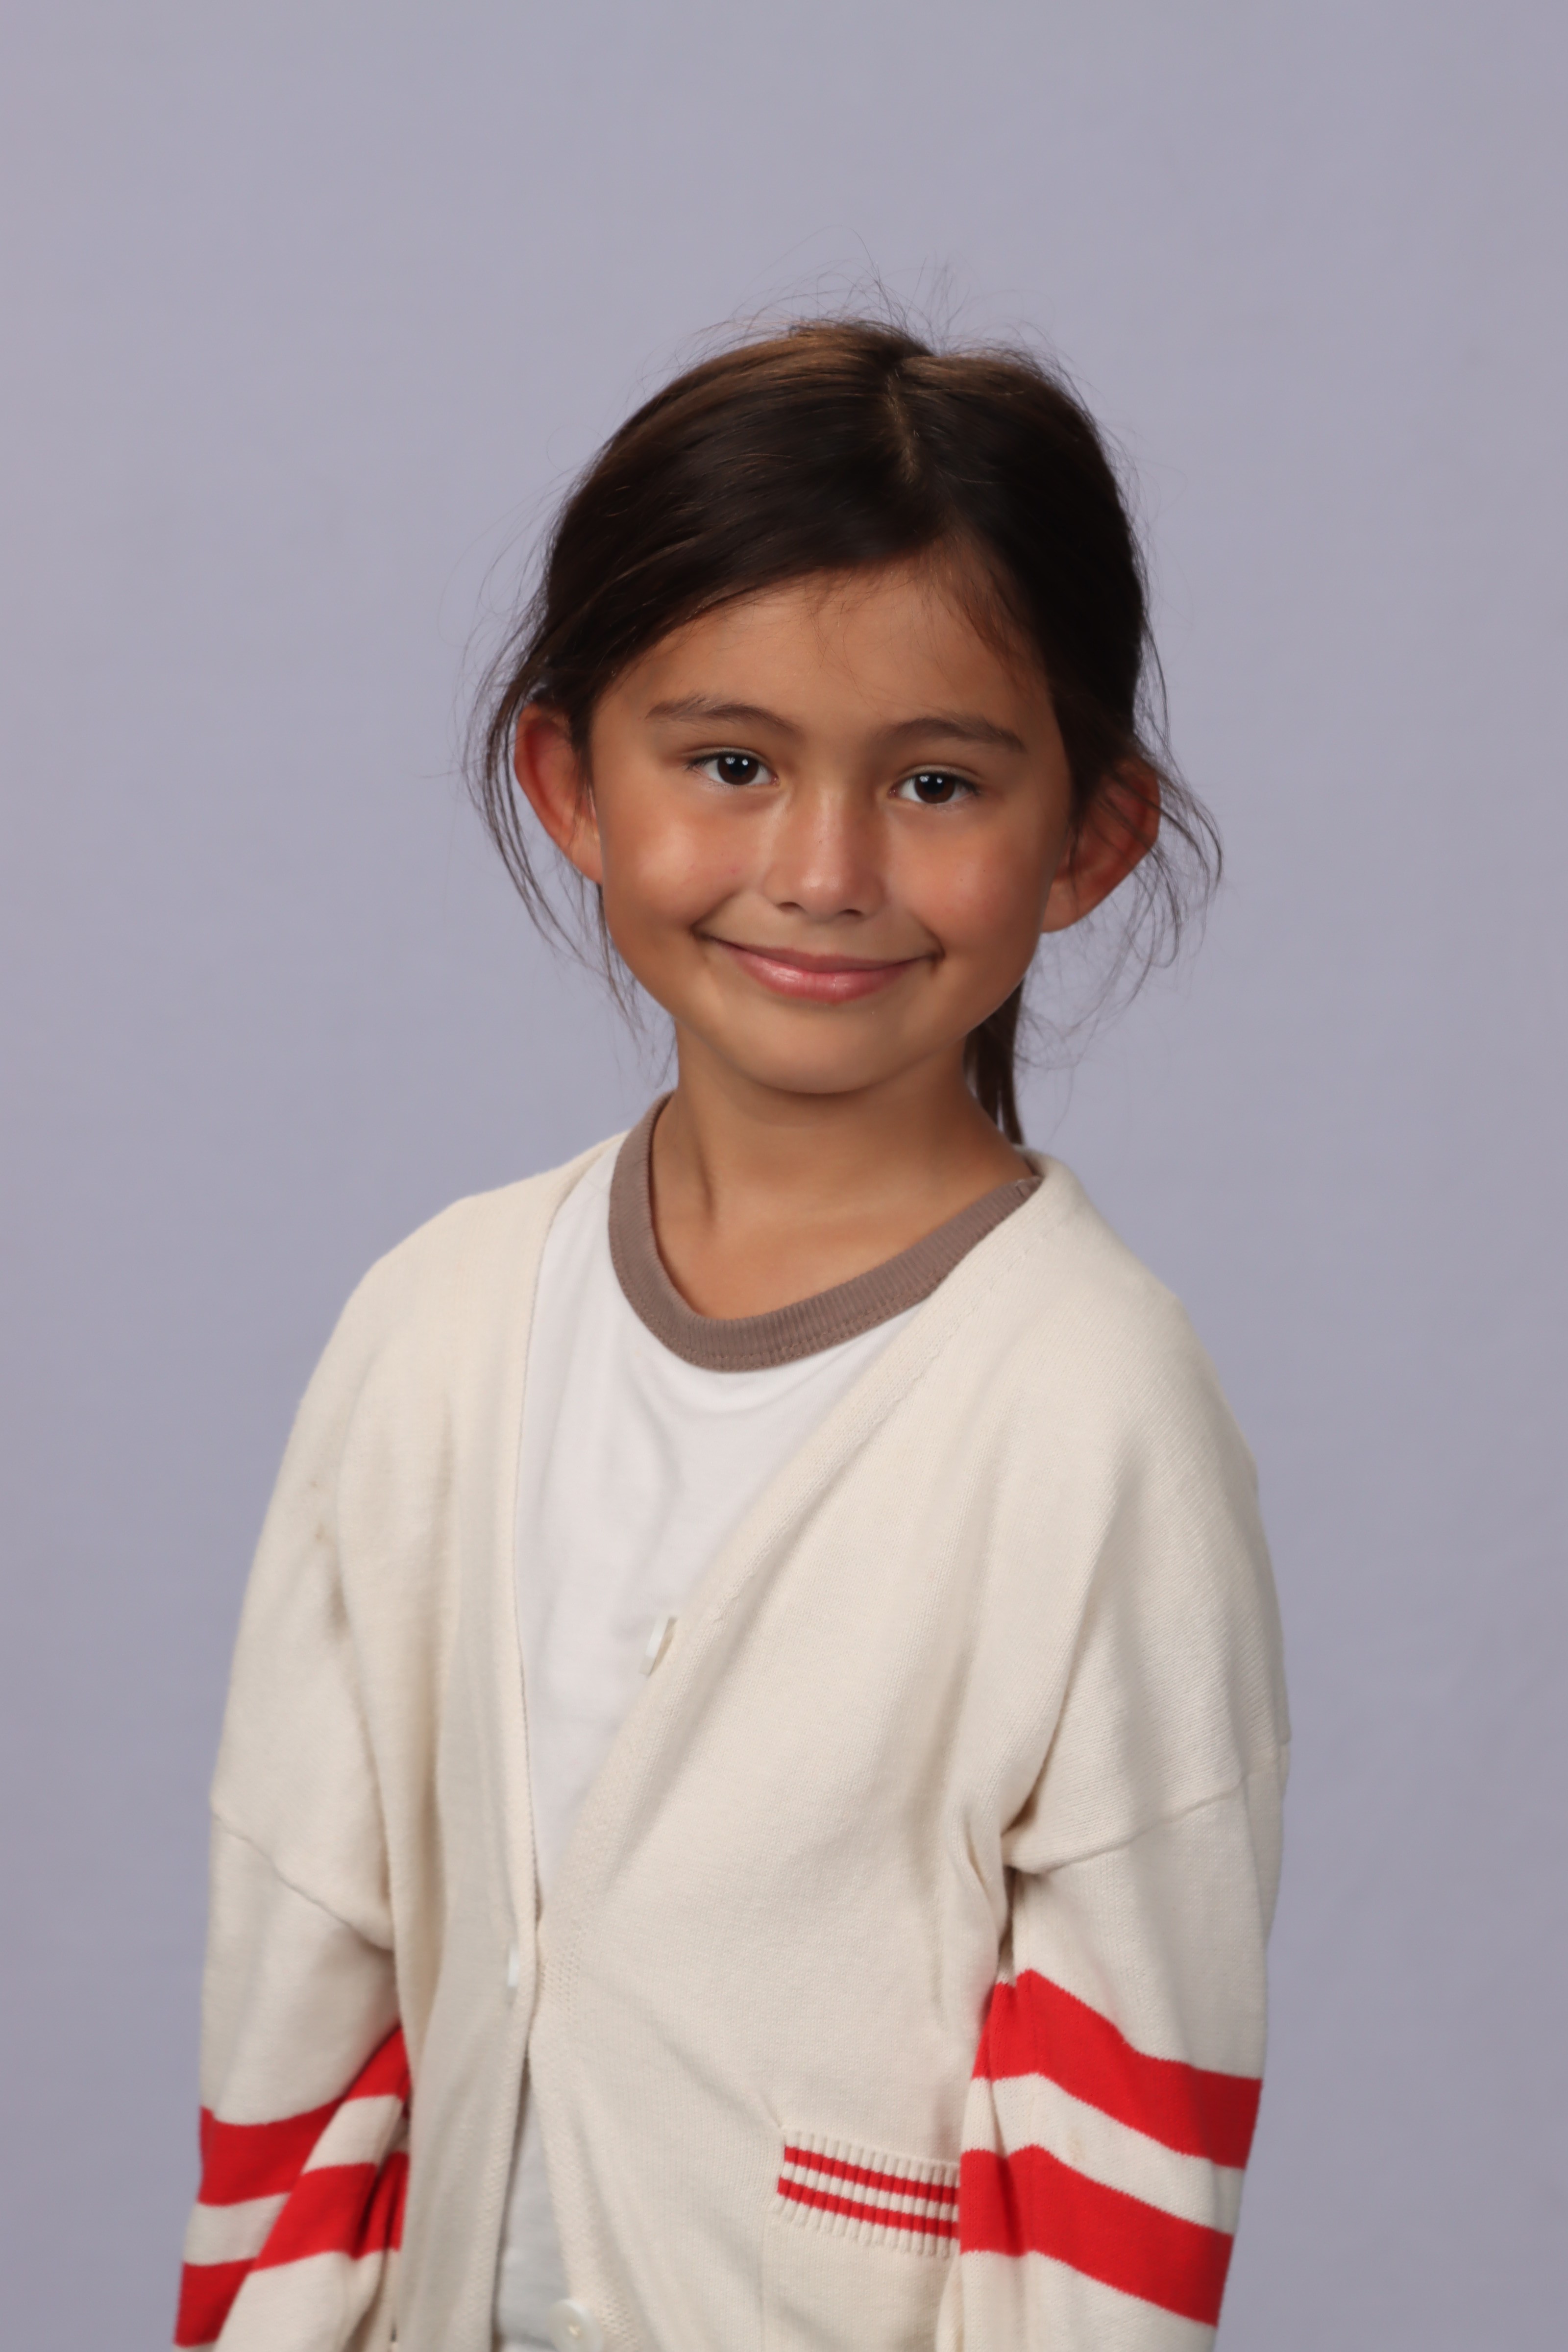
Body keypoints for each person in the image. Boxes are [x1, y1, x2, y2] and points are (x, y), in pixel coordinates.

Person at [173, 318, 1289, 2352]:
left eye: (936, 782)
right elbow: (302, 1976)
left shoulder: (1088, 1412)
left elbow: (1115, 2165)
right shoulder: (435, 1329)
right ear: (571, 784)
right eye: (731, 765)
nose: (824, 871)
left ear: (1087, 836)